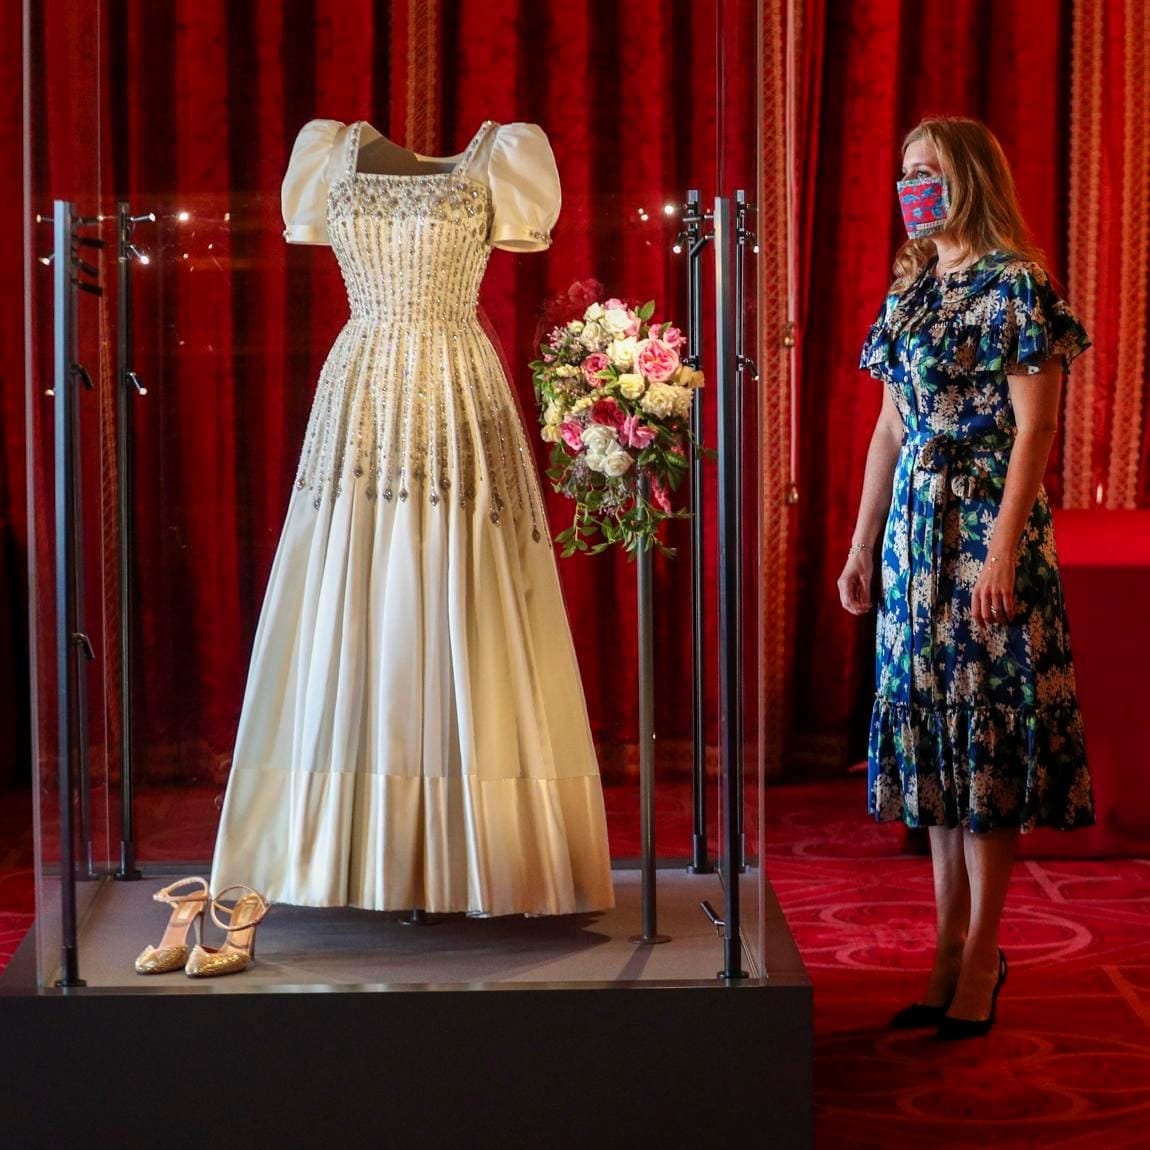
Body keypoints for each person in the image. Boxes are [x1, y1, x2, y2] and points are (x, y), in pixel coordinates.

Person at [837, 116, 1095, 1039]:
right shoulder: (909, 291)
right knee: (935, 748)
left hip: (987, 529)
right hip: (913, 536)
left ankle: (984, 951)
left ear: (972, 179)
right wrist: (862, 544)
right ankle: (945, 951)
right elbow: (890, 429)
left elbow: (1035, 431)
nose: (916, 187)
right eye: (906, 171)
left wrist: (1000, 549)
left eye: (932, 172)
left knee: (983, 742)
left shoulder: (1018, 284)